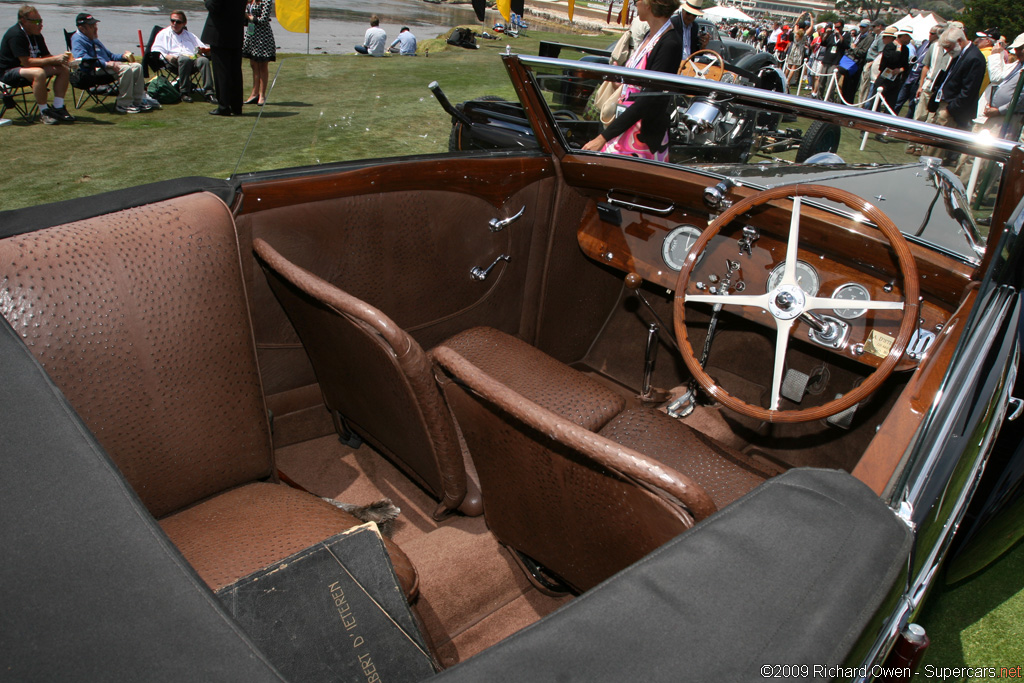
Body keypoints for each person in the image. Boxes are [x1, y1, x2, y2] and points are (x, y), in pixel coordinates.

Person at [582, 0, 681, 161]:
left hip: (641, 138)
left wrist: (603, 138)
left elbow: (649, 98)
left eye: (637, 1)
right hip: (625, 127)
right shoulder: (650, 35)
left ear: (649, 4)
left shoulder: (670, 44)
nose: (634, 4)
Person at [0, 5, 74, 124]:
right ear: (24, 21)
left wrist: (63, 59)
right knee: (39, 73)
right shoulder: (16, 35)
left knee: (63, 69)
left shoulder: (36, 35)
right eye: (36, 21)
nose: (40, 24)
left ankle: (58, 107)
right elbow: (26, 62)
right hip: (8, 72)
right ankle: (44, 112)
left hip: (27, 70)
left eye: (41, 21)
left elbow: (46, 57)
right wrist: (55, 59)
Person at [71, 13, 149, 114]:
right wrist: (107, 64)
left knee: (137, 66)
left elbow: (110, 55)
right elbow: (83, 59)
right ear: (82, 28)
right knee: (125, 69)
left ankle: (138, 101)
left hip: (106, 66)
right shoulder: (77, 39)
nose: (95, 29)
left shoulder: (93, 38)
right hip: (93, 70)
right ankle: (123, 104)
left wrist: (122, 57)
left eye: (95, 25)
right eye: (92, 26)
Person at [151, 10, 215, 103]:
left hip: (192, 60)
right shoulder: (163, 34)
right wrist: (167, 56)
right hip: (173, 62)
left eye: (178, 22)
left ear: (184, 23)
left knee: (203, 60)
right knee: (184, 59)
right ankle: (184, 92)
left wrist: (205, 51)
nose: (175, 23)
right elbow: (156, 51)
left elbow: (202, 47)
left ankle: (209, 93)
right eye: (172, 21)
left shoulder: (189, 35)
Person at [933, 26, 987, 131]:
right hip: (944, 105)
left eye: (949, 47)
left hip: (952, 111)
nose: (947, 51)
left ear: (959, 41)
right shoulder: (960, 53)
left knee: (939, 145)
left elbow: (968, 91)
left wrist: (950, 110)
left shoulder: (974, 58)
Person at [202, 0, 246, 116]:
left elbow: (214, 6)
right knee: (235, 72)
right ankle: (236, 106)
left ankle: (224, 106)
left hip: (220, 35)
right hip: (236, 34)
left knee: (221, 72)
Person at [242, 0, 274, 105]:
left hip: (262, 35)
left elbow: (264, 20)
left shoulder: (267, 1)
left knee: (262, 65)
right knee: (253, 64)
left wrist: (248, 17)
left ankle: (262, 95)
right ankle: (254, 93)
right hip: (252, 34)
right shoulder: (250, 0)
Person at [873, 26, 908, 114]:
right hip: (884, 78)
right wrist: (898, 49)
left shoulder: (906, 49)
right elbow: (892, 59)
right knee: (876, 101)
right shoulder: (889, 46)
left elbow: (906, 65)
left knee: (890, 104)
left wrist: (900, 70)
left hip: (895, 80)